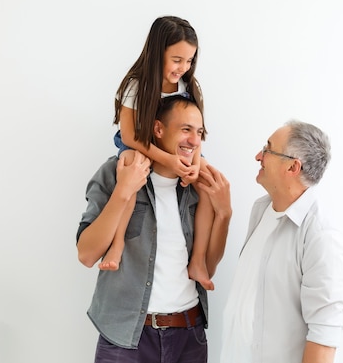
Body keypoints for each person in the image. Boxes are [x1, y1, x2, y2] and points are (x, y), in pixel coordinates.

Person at [77, 95, 232, 362]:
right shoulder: (117, 171)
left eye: (199, 132)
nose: (194, 141)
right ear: (158, 129)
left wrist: (225, 214)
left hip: (189, 336)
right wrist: (124, 190)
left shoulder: (199, 185)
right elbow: (87, 255)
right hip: (125, 340)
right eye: (186, 129)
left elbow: (208, 267)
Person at [220, 120, 343, 363]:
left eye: (268, 150)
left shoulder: (321, 236)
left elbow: (324, 336)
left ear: (292, 167)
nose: (258, 156)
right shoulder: (261, 210)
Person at [103, 15, 216, 291]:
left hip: (174, 150)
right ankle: (116, 246)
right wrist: (169, 161)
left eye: (189, 61)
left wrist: (194, 162)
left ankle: (198, 259)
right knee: (132, 165)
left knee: (208, 182)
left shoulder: (188, 86)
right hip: (141, 146)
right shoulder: (136, 85)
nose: (183, 67)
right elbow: (130, 136)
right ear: (158, 53)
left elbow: (196, 130)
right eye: (177, 59)